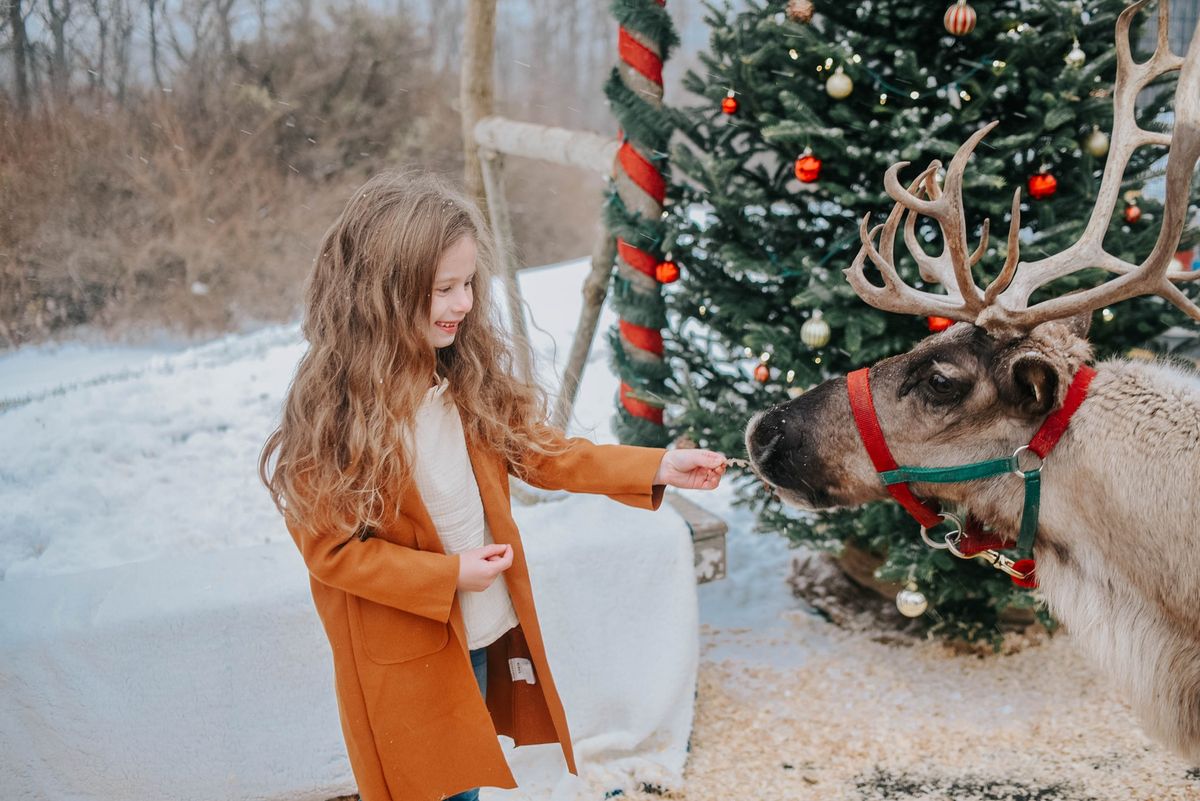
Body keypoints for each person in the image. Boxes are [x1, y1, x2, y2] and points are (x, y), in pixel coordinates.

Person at [259, 170, 726, 801]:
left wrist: (655, 466)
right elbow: (331, 554)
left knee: (466, 788)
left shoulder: (461, 375)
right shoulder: (334, 415)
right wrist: (447, 577)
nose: (464, 304)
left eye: (469, 284)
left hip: (478, 633)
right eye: (442, 289)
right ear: (380, 295)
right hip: (407, 659)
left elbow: (541, 452)